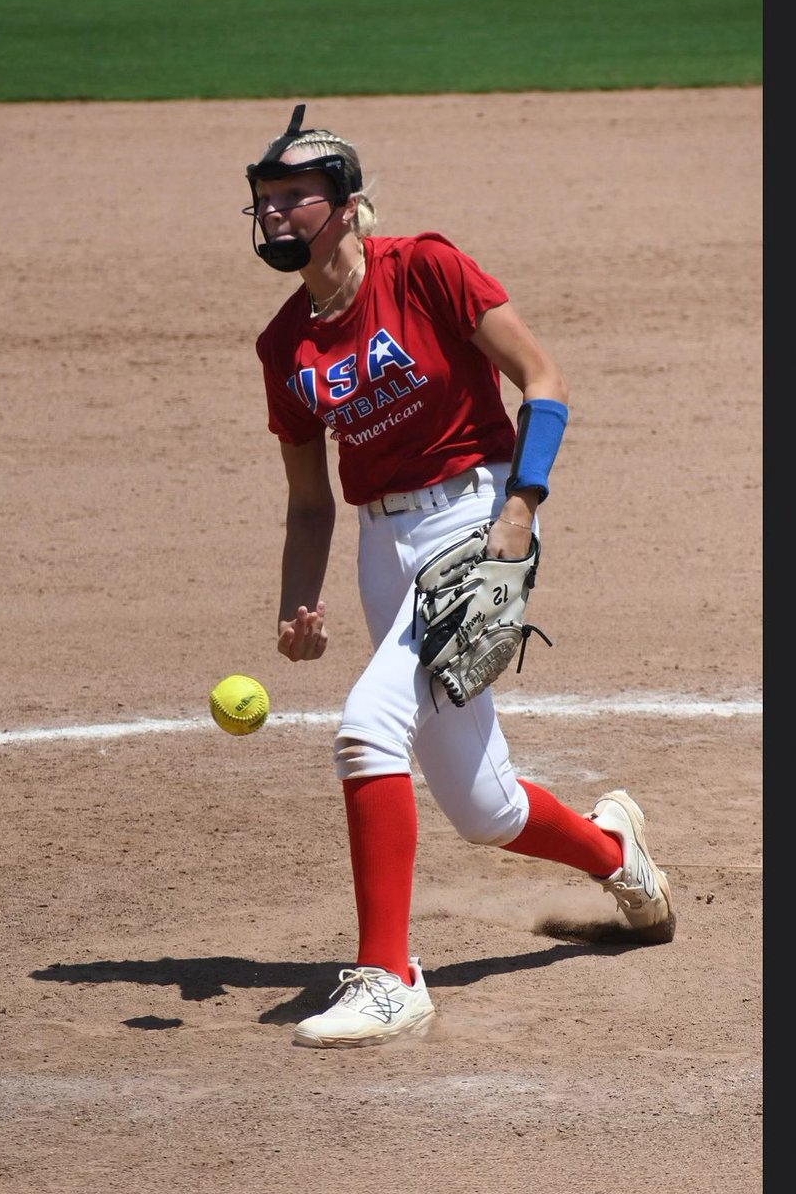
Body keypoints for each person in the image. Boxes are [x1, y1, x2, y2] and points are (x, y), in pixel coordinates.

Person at [243, 104, 675, 1049]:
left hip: (475, 519)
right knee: (483, 807)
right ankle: (617, 852)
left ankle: (390, 976)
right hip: (379, 544)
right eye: (262, 204)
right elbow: (311, 501)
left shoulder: (424, 268)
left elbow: (544, 378)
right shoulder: (286, 347)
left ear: (345, 206)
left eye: (292, 200)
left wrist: (520, 510)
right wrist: (296, 605)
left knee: (369, 728)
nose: (273, 218)